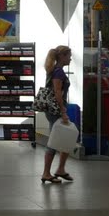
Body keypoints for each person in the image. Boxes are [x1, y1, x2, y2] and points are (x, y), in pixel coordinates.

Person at [41, 45, 74, 184]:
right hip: (56, 111)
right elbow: (57, 93)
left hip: (53, 110)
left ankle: (60, 169)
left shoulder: (54, 70)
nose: (70, 58)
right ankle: (47, 173)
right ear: (62, 57)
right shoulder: (58, 72)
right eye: (68, 56)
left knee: (66, 137)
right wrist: (63, 111)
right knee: (55, 141)